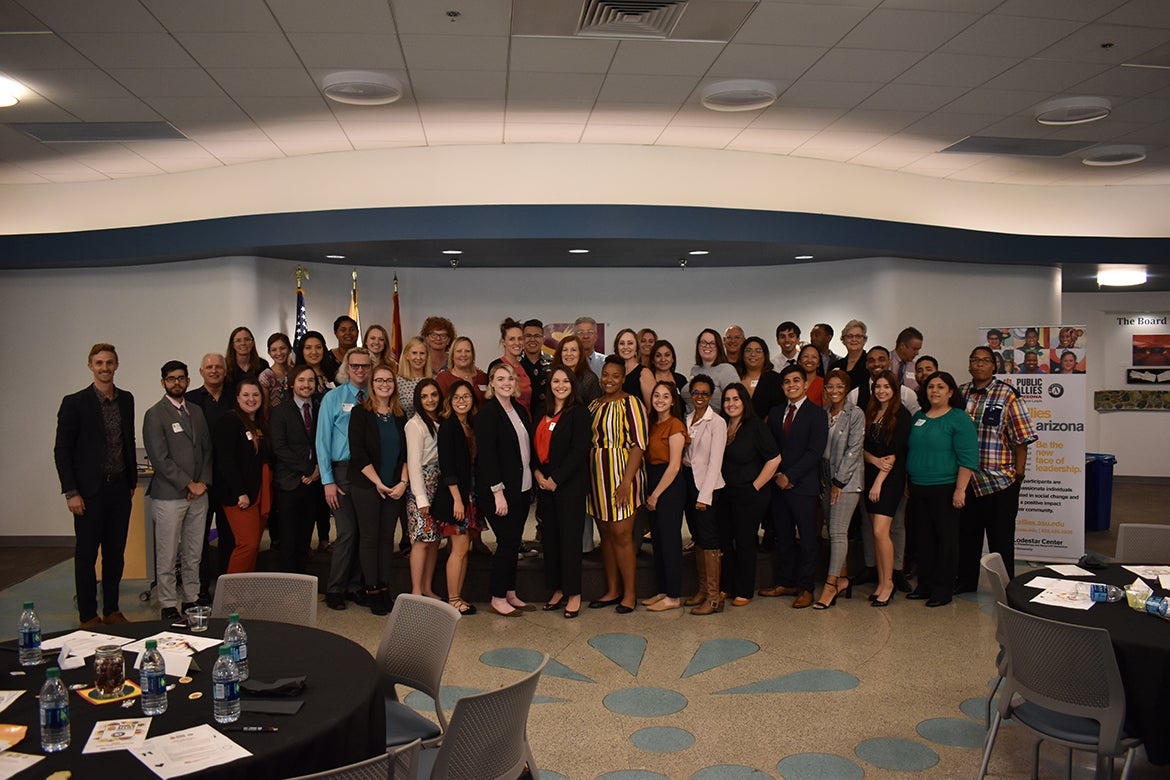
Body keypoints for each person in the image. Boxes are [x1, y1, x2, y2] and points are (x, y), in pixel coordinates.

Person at [54, 343, 137, 627]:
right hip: (89, 492)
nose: (104, 368)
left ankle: (112, 609)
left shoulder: (126, 399)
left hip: (119, 490)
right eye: (99, 363)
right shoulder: (74, 403)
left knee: (115, 554)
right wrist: (71, 491)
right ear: (90, 366)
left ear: (116, 365)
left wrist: (131, 483)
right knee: (87, 554)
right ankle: (88, 614)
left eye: (109, 363)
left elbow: (128, 441)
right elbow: (62, 450)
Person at [956, 346, 1038, 589]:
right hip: (967, 481)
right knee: (967, 537)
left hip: (1000, 482)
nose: (979, 364)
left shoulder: (1007, 395)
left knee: (1001, 540)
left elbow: (1022, 438)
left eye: (985, 361)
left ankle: (1006, 587)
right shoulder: (960, 394)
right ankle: (966, 582)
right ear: (969, 365)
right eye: (975, 360)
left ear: (994, 366)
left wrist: (1018, 475)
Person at [142, 360, 212, 621]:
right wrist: (188, 483)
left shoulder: (195, 411)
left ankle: (191, 598)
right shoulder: (155, 414)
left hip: (199, 495)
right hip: (170, 495)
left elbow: (206, 450)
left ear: (188, 381)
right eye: (171, 379)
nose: (177, 383)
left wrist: (202, 482)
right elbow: (159, 459)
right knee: (168, 553)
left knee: (194, 552)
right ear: (163, 382)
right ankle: (169, 602)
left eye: (181, 378)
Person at [907, 371, 978, 608]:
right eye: (930, 387)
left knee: (946, 541)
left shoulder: (959, 419)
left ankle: (943, 589)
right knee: (923, 539)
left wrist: (960, 490)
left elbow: (967, 457)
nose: (934, 391)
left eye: (940, 387)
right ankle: (925, 585)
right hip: (918, 487)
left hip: (946, 487)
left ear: (950, 392)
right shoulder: (919, 416)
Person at [759, 364, 828, 609]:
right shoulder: (776, 412)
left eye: (796, 381)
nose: (792, 385)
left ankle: (806, 587)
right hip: (778, 484)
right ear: (782, 386)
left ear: (806, 384)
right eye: (787, 382)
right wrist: (778, 474)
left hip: (804, 486)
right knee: (783, 537)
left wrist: (790, 476)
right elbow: (770, 448)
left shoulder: (817, 414)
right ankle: (785, 582)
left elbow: (814, 452)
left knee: (808, 538)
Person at [588, 356, 649, 614]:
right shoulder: (593, 405)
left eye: (615, 375)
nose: (609, 380)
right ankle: (612, 590)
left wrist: (626, 482)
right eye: (606, 375)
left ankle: (630, 594)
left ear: (623, 378)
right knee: (606, 537)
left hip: (622, 477)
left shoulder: (631, 403)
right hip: (596, 479)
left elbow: (639, 443)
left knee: (623, 536)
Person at [348, 365, 408, 615]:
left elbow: (407, 453)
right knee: (370, 537)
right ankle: (371, 589)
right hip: (367, 485)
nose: (385, 384)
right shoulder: (360, 413)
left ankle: (385, 588)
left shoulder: (399, 415)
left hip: (395, 486)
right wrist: (378, 483)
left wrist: (402, 483)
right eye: (379, 380)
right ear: (372, 384)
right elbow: (358, 453)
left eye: (389, 380)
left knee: (387, 539)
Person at [317, 347, 374, 610]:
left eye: (365, 366)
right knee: (347, 531)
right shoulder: (333, 398)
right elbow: (322, 442)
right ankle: (335, 589)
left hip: (367, 472)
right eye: (355, 366)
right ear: (347, 368)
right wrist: (327, 481)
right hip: (340, 471)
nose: (360, 370)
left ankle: (355, 587)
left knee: (363, 531)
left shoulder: (375, 397)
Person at [476, 361, 535, 617]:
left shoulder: (520, 411)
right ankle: (498, 596)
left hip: (521, 488)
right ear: (491, 383)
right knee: (507, 541)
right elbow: (487, 457)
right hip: (498, 492)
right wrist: (497, 492)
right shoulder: (487, 414)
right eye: (500, 379)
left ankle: (510, 591)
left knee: (513, 542)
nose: (506, 383)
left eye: (510, 378)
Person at [533, 367, 591, 619]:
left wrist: (556, 479)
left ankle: (574, 594)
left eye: (565, 381)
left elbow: (579, 451)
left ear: (573, 384)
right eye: (556, 381)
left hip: (569, 487)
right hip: (544, 486)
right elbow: (531, 448)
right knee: (551, 540)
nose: (560, 385)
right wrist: (537, 474)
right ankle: (557, 589)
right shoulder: (541, 412)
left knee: (569, 541)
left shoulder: (579, 413)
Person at [717, 383, 780, 607]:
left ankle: (744, 590)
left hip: (750, 493)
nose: (731, 404)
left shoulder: (755, 426)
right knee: (725, 541)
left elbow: (774, 459)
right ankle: (726, 586)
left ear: (744, 401)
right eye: (727, 400)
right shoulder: (721, 425)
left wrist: (755, 487)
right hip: (725, 493)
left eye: (736, 399)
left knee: (744, 541)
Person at [431, 379, 483, 616]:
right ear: (450, 402)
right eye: (457, 397)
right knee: (459, 548)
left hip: (470, 493)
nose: (462, 401)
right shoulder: (448, 427)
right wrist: (457, 501)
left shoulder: (471, 425)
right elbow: (447, 467)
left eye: (466, 397)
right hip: (456, 497)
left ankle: (458, 596)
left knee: (465, 547)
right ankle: (453, 599)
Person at [269, 364, 327, 574]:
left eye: (311, 380)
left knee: (305, 536)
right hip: (290, 482)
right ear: (292, 383)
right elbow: (279, 448)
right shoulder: (280, 411)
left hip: (314, 481)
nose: (306, 384)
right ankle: (287, 584)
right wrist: (308, 469)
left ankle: (301, 582)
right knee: (289, 537)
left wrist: (318, 470)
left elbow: (325, 441)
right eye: (301, 380)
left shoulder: (321, 409)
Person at [186, 352, 235, 598]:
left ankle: (226, 588)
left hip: (228, 481)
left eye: (218, 367)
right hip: (201, 481)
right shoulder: (190, 400)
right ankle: (201, 589)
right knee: (198, 539)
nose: (214, 370)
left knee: (228, 537)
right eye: (209, 367)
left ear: (225, 371)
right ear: (201, 371)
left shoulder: (235, 397)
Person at [862, 370, 911, 607]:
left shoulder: (901, 415)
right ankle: (881, 582)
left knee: (882, 531)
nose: (882, 390)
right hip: (871, 473)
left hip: (889, 479)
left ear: (895, 389)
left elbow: (895, 453)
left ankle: (889, 584)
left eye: (887, 387)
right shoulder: (871, 413)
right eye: (878, 386)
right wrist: (872, 462)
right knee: (876, 533)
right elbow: (862, 448)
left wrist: (879, 482)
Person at [816, 369, 864, 610]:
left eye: (839, 387)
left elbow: (854, 450)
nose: (834, 391)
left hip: (847, 481)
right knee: (831, 529)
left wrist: (839, 483)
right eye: (830, 387)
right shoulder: (823, 414)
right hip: (826, 478)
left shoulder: (855, 414)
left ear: (847, 389)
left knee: (836, 531)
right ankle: (843, 577)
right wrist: (825, 481)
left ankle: (830, 585)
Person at [213, 379, 272, 573]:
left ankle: (245, 592)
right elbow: (225, 461)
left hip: (259, 493)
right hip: (239, 496)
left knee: (254, 545)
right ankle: (231, 596)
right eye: (246, 395)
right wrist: (240, 492)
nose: (251, 399)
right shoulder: (229, 421)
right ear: (237, 398)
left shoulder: (259, 423)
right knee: (247, 545)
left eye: (255, 395)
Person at [641, 381, 689, 612]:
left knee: (670, 541)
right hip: (653, 480)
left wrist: (656, 494)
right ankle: (663, 590)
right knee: (658, 541)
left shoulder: (675, 425)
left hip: (668, 486)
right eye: (656, 395)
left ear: (673, 400)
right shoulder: (652, 424)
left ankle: (673, 595)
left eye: (665, 396)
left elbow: (674, 466)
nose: (660, 399)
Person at [681, 374, 726, 615]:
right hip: (689, 480)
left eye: (704, 394)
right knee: (698, 537)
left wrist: (704, 496)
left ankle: (714, 597)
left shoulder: (716, 422)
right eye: (695, 393)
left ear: (711, 396)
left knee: (709, 539)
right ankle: (701, 591)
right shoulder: (688, 418)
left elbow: (715, 462)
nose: (699, 397)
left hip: (707, 486)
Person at [405, 379, 444, 599]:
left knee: (435, 540)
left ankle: (428, 588)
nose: (430, 400)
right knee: (421, 540)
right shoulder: (415, 424)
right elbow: (413, 463)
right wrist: (421, 499)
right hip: (422, 487)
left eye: (433, 395)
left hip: (439, 485)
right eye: (424, 396)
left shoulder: (441, 420)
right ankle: (416, 591)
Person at [688, 328, 740, 412]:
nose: (707, 346)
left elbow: (736, 402)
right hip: (690, 421)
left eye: (712, 343)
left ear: (718, 347)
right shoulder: (695, 369)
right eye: (703, 342)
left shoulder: (726, 369)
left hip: (715, 422)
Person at [631, 339, 687, 410]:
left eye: (667, 355)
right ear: (652, 360)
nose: (663, 359)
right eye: (658, 356)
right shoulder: (646, 378)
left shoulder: (681, 379)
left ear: (673, 359)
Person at [493, 317, 533, 413]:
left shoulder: (526, 367)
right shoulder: (497, 366)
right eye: (511, 339)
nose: (517, 343)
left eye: (520, 339)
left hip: (526, 422)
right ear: (504, 342)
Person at [739, 336, 783, 420]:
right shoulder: (735, 377)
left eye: (758, 351)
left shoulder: (775, 379)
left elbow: (778, 409)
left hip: (767, 430)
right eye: (748, 351)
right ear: (742, 354)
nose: (753, 354)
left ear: (765, 355)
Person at [436, 336, 489, 405]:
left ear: (472, 355)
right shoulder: (443, 379)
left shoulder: (483, 377)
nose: (463, 354)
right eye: (459, 351)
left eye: (467, 351)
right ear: (452, 355)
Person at [552, 334, 601, 405]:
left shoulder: (589, 379)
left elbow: (595, 409)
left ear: (580, 354)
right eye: (565, 350)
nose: (568, 354)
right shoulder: (551, 375)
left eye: (573, 350)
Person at [294, 330, 335, 407]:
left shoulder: (334, 374)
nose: (314, 352)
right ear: (301, 351)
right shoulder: (293, 376)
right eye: (308, 348)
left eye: (318, 347)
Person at [395, 336, 432, 420]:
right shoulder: (397, 382)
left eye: (422, 353)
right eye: (414, 353)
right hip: (405, 429)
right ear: (407, 355)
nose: (418, 357)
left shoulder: (432, 381)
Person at [520, 319, 552, 411]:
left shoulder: (554, 362)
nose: (532, 340)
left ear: (543, 339)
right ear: (522, 339)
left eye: (537, 336)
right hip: (520, 416)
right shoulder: (514, 364)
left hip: (548, 415)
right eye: (528, 336)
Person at [830, 319, 869, 394]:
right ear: (843, 340)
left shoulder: (871, 363)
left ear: (864, 340)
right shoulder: (836, 365)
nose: (854, 339)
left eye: (858, 336)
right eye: (849, 336)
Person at [258, 332, 293, 408]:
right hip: (274, 419)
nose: (279, 353)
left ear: (290, 349)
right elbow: (265, 407)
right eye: (274, 350)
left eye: (282, 348)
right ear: (269, 353)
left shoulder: (296, 373)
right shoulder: (265, 377)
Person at [323, 315, 359, 382]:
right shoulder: (327, 358)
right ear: (336, 333)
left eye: (352, 329)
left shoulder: (366, 356)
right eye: (343, 330)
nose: (348, 333)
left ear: (358, 332)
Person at [890, 326, 924, 391]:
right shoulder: (885, 360)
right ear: (902, 346)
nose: (917, 353)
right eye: (914, 349)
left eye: (918, 349)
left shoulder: (915, 367)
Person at [613, 327, 641, 392]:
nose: (625, 347)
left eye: (630, 343)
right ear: (617, 347)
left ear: (636, 347)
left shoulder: (644, 373)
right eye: (622, 343)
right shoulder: (612, 371)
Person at [797, 343, 825, 407]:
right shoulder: (793, 383)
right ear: (799, 361)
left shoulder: (824, 384)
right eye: (806, 356)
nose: (809, 360)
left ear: (819, 363)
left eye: (814, 357)